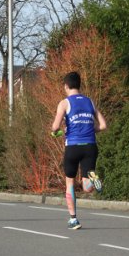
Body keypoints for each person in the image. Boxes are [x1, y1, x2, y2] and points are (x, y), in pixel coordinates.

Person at [51, 71, 107, 230]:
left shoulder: (64, 103)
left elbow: (55, 127)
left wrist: (57, 131)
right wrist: (88, 129)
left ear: (66, 86)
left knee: (70, 182)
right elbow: (103, 125)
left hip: (73, 146)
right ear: (79, 85)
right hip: (90, 146)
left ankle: (73, 219)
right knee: (87, 187)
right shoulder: (90, 102)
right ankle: (94, 178)